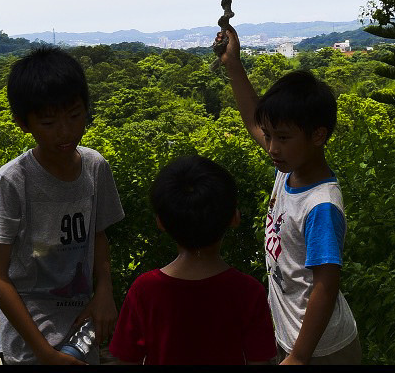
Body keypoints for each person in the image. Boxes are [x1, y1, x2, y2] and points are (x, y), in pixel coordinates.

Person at [216, 25, 361, 365]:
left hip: (323, 350)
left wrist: (297, 356)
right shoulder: (290, 169)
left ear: (318, 135)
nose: (271, 147)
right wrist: (233, 65)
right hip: (296, 340)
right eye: (269, 136)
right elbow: (255, 120)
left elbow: (326, 285)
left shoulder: (320, 205)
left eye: (282, 137)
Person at [0, 46, 125, 365]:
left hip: (81, 332)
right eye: (48, 122)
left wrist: (104, 292)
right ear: (23, 122)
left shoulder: (94, 167)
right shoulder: (13, 181)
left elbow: (98, 236)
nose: (65, 131)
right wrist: (44, 353)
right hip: (28, 346)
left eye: (75, 116)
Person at [108, 154, 277, 365]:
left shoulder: (144, 290)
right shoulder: (248, 292)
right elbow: (259, 360)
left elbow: (127, 359)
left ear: (161, 222)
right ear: (234, 217)